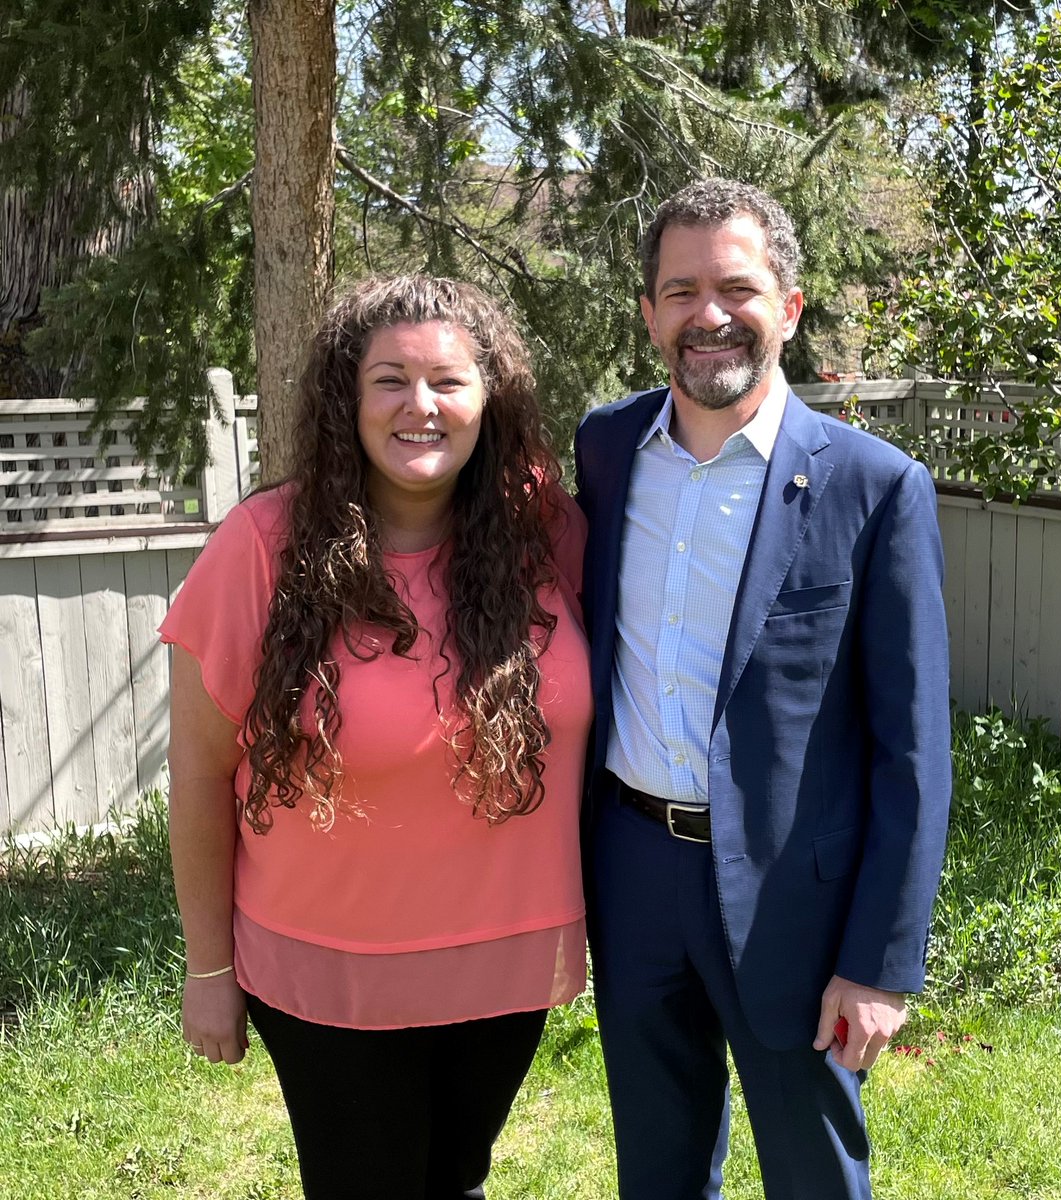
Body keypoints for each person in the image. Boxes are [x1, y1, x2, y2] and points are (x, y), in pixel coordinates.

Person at [161, 275, 591, 1199]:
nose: (420, 406)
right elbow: (199, 771)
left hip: (504, 967)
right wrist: (208, 967)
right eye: (389, 380)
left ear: (490, 398)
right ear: (345, 402)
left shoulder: (544, 534)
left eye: (447, 380)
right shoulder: (262, 545)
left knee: (457, 1180)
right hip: (330, 976)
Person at [573, 179, 951, 1199]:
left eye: (737, 287)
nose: (708, 315)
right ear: (649, 312)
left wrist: (880, 962)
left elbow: (912, 753)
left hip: (798, 899)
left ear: (787, 306)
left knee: (814, 1172)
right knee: (656, 1163)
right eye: (681, 290)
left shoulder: (874, 487)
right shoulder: (604, 453)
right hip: (632, 869)